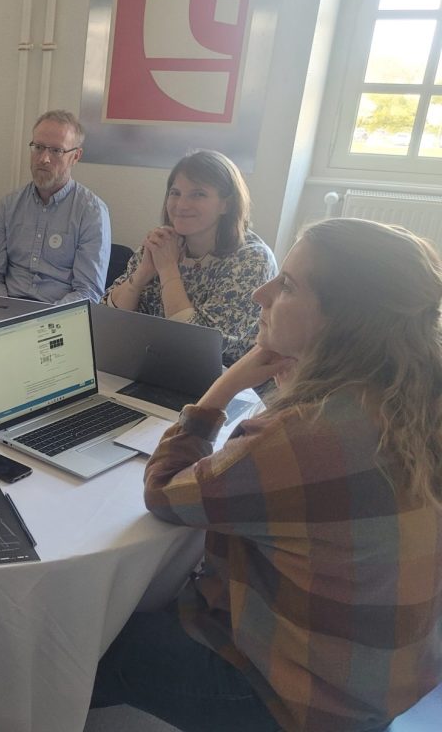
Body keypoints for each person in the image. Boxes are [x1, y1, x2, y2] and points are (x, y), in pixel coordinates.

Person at [92, 218, 442, 732]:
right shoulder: (411, 396)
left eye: (289, 285)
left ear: (347, 323)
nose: (263, 293)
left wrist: (221, 388)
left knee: (90, 642)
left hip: (302, 698)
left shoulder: (310, 435)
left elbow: (164, 491)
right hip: (384, 679)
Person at [103, 149, 276, 365]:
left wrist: (168, 270)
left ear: (227, 204)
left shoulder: (252, 260)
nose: (181, 205)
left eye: (198, 194)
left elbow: (197, 347)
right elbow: (106, 323)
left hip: (228, 377)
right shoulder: (164, 242)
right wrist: (141, 276)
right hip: (157, 366)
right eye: (175, 193)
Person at [0, 110, 111, 304]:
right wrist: (1, 311)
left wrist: (46, 319)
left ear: (75, 156)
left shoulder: (92, 213)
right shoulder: (8, 207)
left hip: (59, 314)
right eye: (39, 147)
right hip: (6, 310)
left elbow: (88, 292)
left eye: (56, 151)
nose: (44, 159)